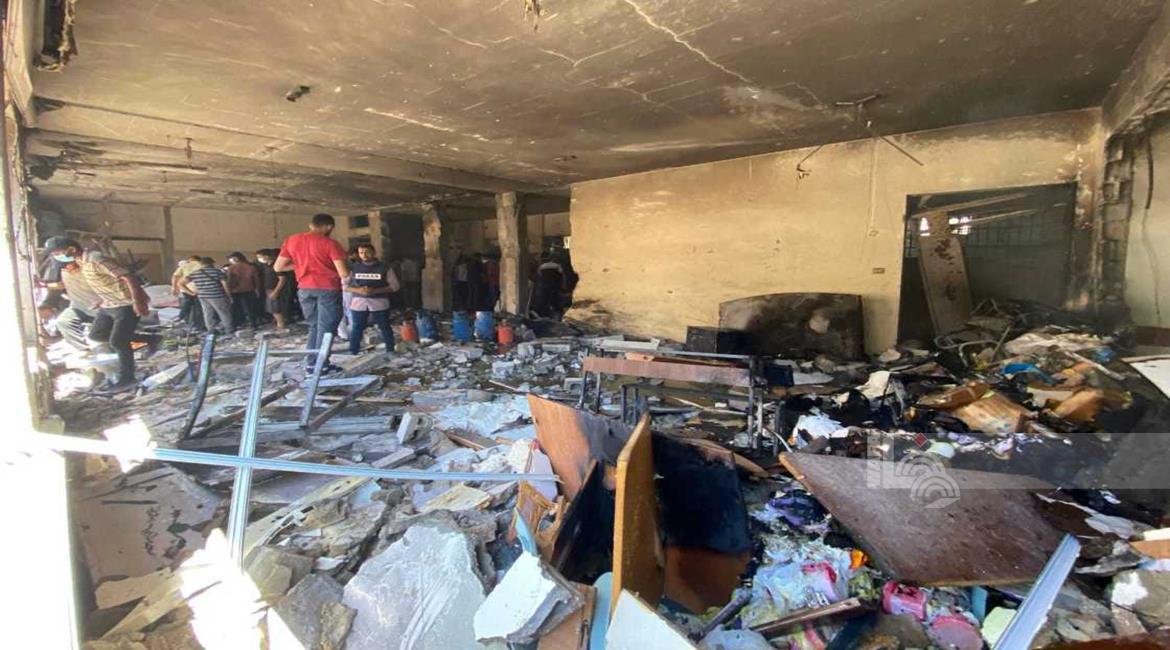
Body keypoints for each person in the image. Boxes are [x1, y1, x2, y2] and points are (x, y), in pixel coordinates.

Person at [44, 237, 150, 392]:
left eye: (57, 253)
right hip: (108, 304)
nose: (56, 256)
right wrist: (102, 300)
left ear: (71, 249)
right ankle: (151, 339)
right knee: (97, 336)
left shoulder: (96, 259)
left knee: (118, 342)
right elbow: (103, 282)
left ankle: (127, 379)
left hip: (124, 303)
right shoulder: (81, 262)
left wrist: (138, 301)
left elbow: (128, 277)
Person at [274, 213, 349, 371]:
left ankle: (311, 362)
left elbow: (278, 267)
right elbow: (343, 273)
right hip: (327, 288)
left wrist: (301, 266)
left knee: (314, 326)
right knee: (327, 328)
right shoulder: (330, 243)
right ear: (329, 227)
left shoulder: (292, 240)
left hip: (304, 289)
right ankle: (321, 366)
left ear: (311, 225)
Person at [346, 243, 399, 355]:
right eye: (361, 253)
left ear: (374, 253)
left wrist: (375, 291)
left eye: (367, 252)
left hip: (379, 302)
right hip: (359, 302)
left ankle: (390, 350)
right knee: (357, 327)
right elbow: (345, 286)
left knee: (384, 326)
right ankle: (353, 351)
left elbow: (395, 286)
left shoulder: (384, 267)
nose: (364, 255)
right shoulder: (354, 268)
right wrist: (359, 290)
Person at [182, 258, 234, 336]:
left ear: (201, 264)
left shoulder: (195, 273)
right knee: (224, 313)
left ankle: (211, 330)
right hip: (217, 295)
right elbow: (225, 285)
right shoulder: (217, 272)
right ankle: (229, 330)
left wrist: (191, 293)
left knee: (207, 313)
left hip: (203, 296)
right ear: (211, 263)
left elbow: (181, 283)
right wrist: (229, 295)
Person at [256, 249, 291, 332]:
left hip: (275, 289)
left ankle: (281, 325)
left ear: (267, 256)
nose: (259, 259)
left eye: (260, 257)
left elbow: (282, 279)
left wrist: (276, 291)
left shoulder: (276, 265)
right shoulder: (266, 266)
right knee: (271, 308)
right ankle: (278, 324)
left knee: (276, 308)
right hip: (268, 289)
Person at [226, 252, 262, 330]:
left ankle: (238, 324)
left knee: (237, 308)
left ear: (236, 258)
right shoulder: (251, 267)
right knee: (250, 308)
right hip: (250, 290)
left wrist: (228, 291)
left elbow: (229, 281)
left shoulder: (231, 268)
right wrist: (257, 289)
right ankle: (253, 324)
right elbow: (257, 280)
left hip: (236, 291)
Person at [171, 255, 204, 332]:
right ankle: (198, 326)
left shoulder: (185, 265)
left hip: (185, 289)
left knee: (187, 306)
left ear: (190, 259)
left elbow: (175, 276)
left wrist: (174, 287)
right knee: (198, 308)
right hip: (198, 290)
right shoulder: (202, 265)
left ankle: (184, 320)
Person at [532, 254, 566, 318]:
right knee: (556, 301)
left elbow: (539, 275)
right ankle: (557, 313)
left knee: (544, 301)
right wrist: (563, 286)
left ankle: (543, 315)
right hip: (555, 286)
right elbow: (562, 275)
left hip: (544, 286)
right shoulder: (557, 266)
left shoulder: (541, 266)